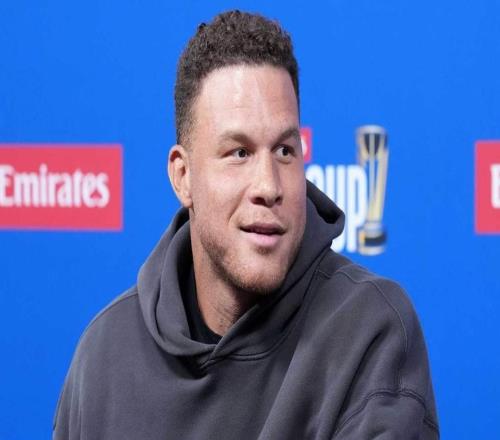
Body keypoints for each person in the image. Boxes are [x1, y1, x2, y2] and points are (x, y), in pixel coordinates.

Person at [53, 10, 439, 439]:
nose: (268, 186)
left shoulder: (369, 330)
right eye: (239, 153)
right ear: (183, 176)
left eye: (285, 151)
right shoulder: (105, 354)